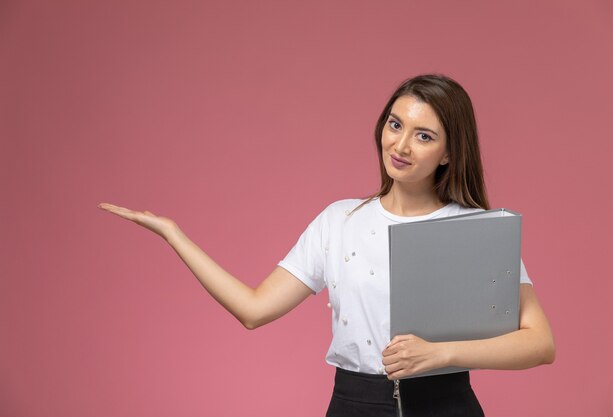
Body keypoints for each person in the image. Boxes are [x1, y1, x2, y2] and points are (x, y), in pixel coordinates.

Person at [98, 74, 555, 416]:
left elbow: (539, 343)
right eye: (395, 124)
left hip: (445, 403)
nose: (400, 145)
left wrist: (443, 354)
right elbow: (253, 309)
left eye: (424, 136)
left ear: (451, 152)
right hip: (352, 403)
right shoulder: (339, 221)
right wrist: (174, 233)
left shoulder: (475, 229)